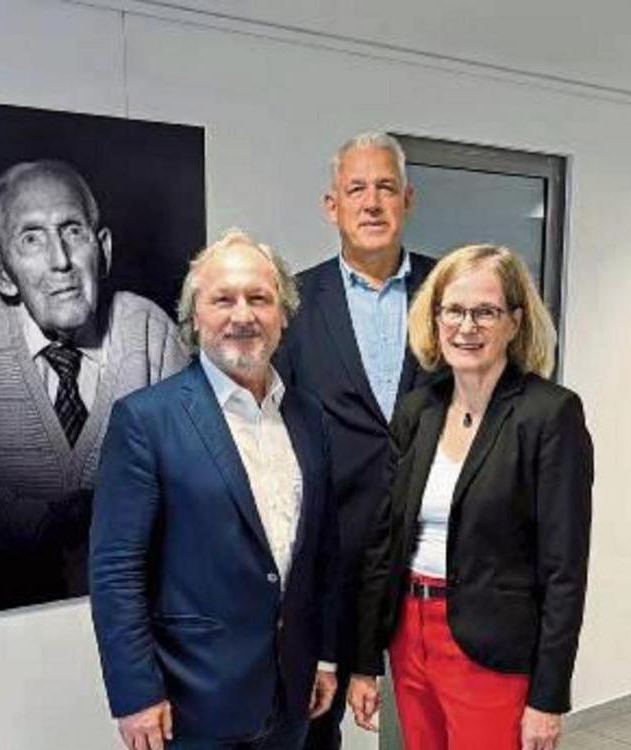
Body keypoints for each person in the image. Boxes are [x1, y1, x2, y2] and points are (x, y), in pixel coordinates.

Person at [90, 229, 341, 749]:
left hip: (292, 694)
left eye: (259, 298)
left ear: (283, 314)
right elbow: (116, 570)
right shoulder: (146, 420)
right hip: (191, 703)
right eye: (222, 299)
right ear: (195, 316)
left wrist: (324, 653)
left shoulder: (308, 416)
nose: (242, 315)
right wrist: (135, 693)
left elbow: (323, 554)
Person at [347, 244, 594, 750]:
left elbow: (564, 570)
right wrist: (366, 660)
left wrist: (548, 697)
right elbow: (385, 542)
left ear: (514, 322)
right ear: (434, 317)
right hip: (409, 635)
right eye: (454, 310)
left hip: (491, 646)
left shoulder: (549, 415)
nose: (467, 326)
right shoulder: (418, 410)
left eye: (486, 311)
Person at [0, 159, 188, 618]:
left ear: (101, 249)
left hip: (134, 613)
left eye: (73, 231)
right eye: (31, 239)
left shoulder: (149, 330)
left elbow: (193, 480)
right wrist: (38, 522)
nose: (60, 260)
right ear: (0, 269)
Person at [273, 131, 436, 748]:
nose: (372, 203)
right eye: (356, 189)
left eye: (386, 187)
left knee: (439, 722)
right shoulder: (293, 303)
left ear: (408, 200)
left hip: (430, 560)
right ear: (331, 205)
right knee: (316, 728)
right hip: (331, 563)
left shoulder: (449, 295)